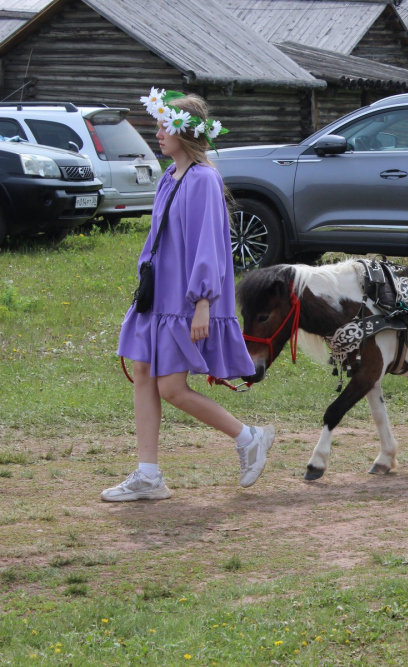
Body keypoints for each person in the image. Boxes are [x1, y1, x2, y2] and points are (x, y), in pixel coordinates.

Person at [104, 89, 273, 502]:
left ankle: (248, 437)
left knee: (171, 387)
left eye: (165, 126)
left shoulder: (202, 180)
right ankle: (148, 475)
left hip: (184, 301)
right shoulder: (170, 177)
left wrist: (202, 303)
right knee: (143, 372)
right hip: (157, 297)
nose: (158, 133)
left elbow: (209, 246)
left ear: (186, 132)